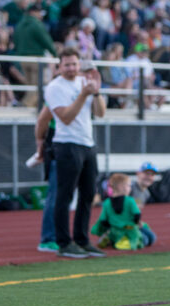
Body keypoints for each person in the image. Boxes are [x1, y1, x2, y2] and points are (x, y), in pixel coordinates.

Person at [44, 47, 107, 259]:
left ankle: (82, 239)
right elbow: (66, 117)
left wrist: (96, 92)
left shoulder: (84, 82)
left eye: (74, 64)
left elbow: (100, 112)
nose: (71, 68)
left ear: (79, 65)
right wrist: (83, 95)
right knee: (65, 195)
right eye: (67, 64)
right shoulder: (54, 87)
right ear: (59, 66)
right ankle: (64, 242)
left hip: (87, 143)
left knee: (88, 194)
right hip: (66, 144)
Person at [92, 173, 152, 250]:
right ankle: (124, 241)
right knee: (148, 239)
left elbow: (103, 220)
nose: (130, 188)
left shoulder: (107, 202)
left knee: (115, 233)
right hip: (130, 229)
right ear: (121, 187)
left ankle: (111, 238)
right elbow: (137, 215)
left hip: (114, 230)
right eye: (129, 185)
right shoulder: (130, 201)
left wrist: (110, 228)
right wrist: (137, 223)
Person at [34, 105, 58, 253]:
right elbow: (42, 119)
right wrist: (39, 142)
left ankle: (64, 236)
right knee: (55, 194)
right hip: (57, 145)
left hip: (80, 145)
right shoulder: (56, 94)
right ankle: (48, 238)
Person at [131, 161, 158, 247]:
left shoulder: (146, 193)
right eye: (146, 174)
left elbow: (137, 210)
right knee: (144, 240)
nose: (149, 177)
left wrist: (138, 222)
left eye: (152, 175)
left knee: (152, 238)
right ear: (138, 174)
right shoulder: (130, 188)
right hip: (124, 223)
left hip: (133, 223)